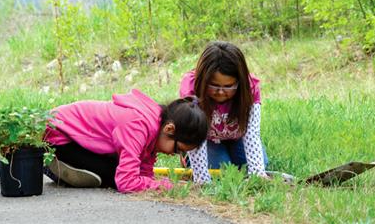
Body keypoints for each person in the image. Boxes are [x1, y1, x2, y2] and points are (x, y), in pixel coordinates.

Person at [43, 89, 208, 193]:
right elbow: (127, 182)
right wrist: (170, 186)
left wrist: (167, 184)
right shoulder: (138, 126)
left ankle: (66, 167)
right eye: (178, 150)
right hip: (59, 137)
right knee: (113, 175)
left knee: (120, 170)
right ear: (169, 129)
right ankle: (53, 166)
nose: (174, 155)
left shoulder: (155, 129)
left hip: (73, 139)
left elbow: (143, 174)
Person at [179, 41, 268, 184]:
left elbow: (251, 133)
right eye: (214, 85)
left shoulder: (249, 88)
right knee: (223, 170)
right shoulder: (191, 88)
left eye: (228, 86)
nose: (220, 92)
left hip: (235, 138)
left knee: (261, 163)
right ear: (203, 80)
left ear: (239, 82)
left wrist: (257, 173)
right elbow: (194, 134)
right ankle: (188, 159)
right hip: (204, 140)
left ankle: (230, 152)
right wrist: (201, 178)